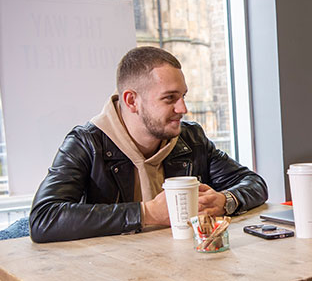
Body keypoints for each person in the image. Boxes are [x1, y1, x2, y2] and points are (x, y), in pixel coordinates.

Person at [29, 47, 268, 243]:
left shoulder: (191, 138)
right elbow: (44, 218)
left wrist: (224, 201)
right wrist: (148, 213)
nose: (182, 109)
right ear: (132, 101)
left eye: (183, 96)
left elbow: (255, 184)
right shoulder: (86, 144)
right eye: (169, 98)